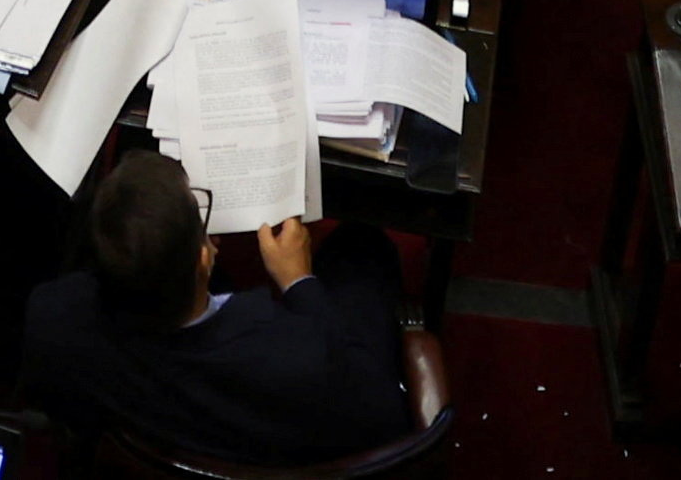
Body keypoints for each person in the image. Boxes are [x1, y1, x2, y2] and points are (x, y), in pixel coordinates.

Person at [25, 153, 414, 467]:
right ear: (203, 258)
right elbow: (387, 420)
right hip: (275, 436)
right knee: (361, 248)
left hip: (155, 425)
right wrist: (299, 284)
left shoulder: (52, 318)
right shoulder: (299, 355)